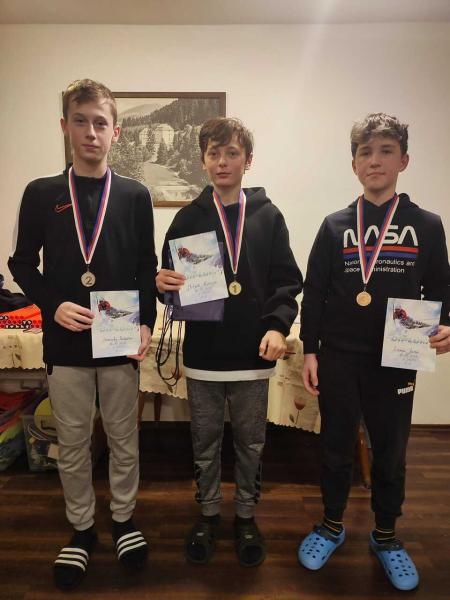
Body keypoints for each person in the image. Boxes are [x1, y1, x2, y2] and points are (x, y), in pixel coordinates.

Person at [8, 79, 157, 590]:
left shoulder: (135, 195)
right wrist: (52, 304)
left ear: (116, 131)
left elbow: (145, 266)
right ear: (65, 127)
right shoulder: (41, 193)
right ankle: (82, 528)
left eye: (100, 123)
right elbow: (21, 263)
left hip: (118, 338)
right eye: (80, 121)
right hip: (67, 340)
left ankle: (124, 520)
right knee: (71, 441)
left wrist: (146, 321)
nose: (91, 132)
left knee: (123, 437)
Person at [298, 112, 450, 591]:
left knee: (390, 451)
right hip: (339, 356)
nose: (375, 160)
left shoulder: (426, 225)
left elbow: (441, 289)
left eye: (386, 151)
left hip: (398, 356)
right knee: (335, 446)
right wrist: (309, 351)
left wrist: (446, 324)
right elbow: (314, 292)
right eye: (365, 152)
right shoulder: (335, 225)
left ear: (404, 160)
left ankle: (385, 535)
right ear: (354, 164)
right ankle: (331, 525)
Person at [156, 117, 302, 567]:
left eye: (232, 153)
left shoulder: (268, 217)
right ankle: (207, 514)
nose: (223, 162)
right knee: (203, 440)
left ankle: (246, 516)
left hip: (253, 354)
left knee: (250, 443)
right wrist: (161, 284)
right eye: (214, 154)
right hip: (204, 354)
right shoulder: (187, 218)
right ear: (203, 160)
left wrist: (277, 326)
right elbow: (169, 282)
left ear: (247, 160)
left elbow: (286, 281)